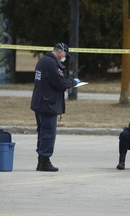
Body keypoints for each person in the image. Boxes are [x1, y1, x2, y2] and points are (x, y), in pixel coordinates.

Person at [30, 42, 80, 172]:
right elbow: (60, 82)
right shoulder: (51, 63)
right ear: (60, 51)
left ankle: (41, 161)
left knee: (42, 132)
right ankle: (44, 161)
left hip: (41, 102)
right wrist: (73, 83)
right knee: (48, 133)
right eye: (65, 54)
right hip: (48, 104)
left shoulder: (43, 61)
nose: (65, 57)